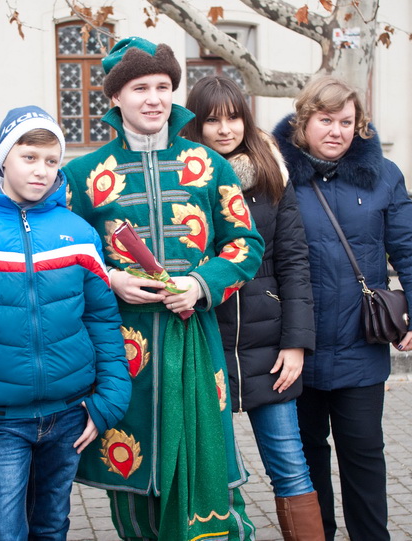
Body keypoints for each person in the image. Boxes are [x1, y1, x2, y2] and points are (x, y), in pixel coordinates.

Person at [63, 37, 265, 541]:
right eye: (139, 88)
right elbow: (62, 252)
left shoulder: (208, 164)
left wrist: (199, 285)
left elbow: (246, 243)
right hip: (120, 345)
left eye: (162, 86)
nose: (153, 98)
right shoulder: (82, 175)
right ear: (115, 98)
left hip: (193, 338)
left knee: (205, 467)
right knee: (132, 483)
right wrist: (111, 280)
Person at [0, 105, 131, 541]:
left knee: (51, 525)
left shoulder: (78, 232)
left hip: (69, 414)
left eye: (52, 160)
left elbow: (101, 318)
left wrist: (109, 399)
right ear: (3, 157)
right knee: (3, 532)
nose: (41, 171)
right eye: (29, 157)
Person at [272, 75, 412, 540]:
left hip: (360, 346)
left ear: (358, 125)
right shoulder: (276, 174)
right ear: (304, 122)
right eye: (325, 120)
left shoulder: (383, 175)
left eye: (347, 122)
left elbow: (410, 248)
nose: (336, 131)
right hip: (294, 349)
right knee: (306, 457)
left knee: (363, 455)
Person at [182, 75, 324, 540]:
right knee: (210, 473)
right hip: (206, 343)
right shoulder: (182, 181)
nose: (225, 129)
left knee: (288, 464)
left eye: (233, 117)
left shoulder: (271, 176)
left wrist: (297, 344)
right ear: (195, 125)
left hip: (269, 346)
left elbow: (295, 262)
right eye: (211, 120)